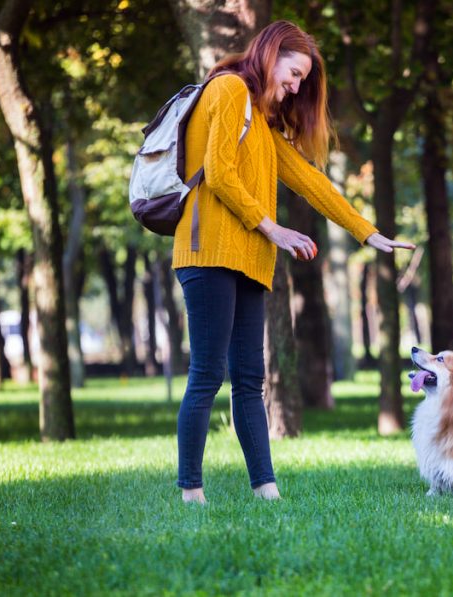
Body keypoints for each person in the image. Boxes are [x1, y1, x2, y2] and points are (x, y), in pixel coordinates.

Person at [172, 20, 414, 504]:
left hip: (249, 260)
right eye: (295, 72)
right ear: (271, 52)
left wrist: (367, 233)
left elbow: (312, 181)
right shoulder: (227, 89)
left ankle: (266, 490)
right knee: (207, 374)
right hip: (208, 251)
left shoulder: (262, 123)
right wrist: (273, 228)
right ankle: (190, 492)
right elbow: (219, 174)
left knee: (249, 379)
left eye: (304, 79)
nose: (297, 85)